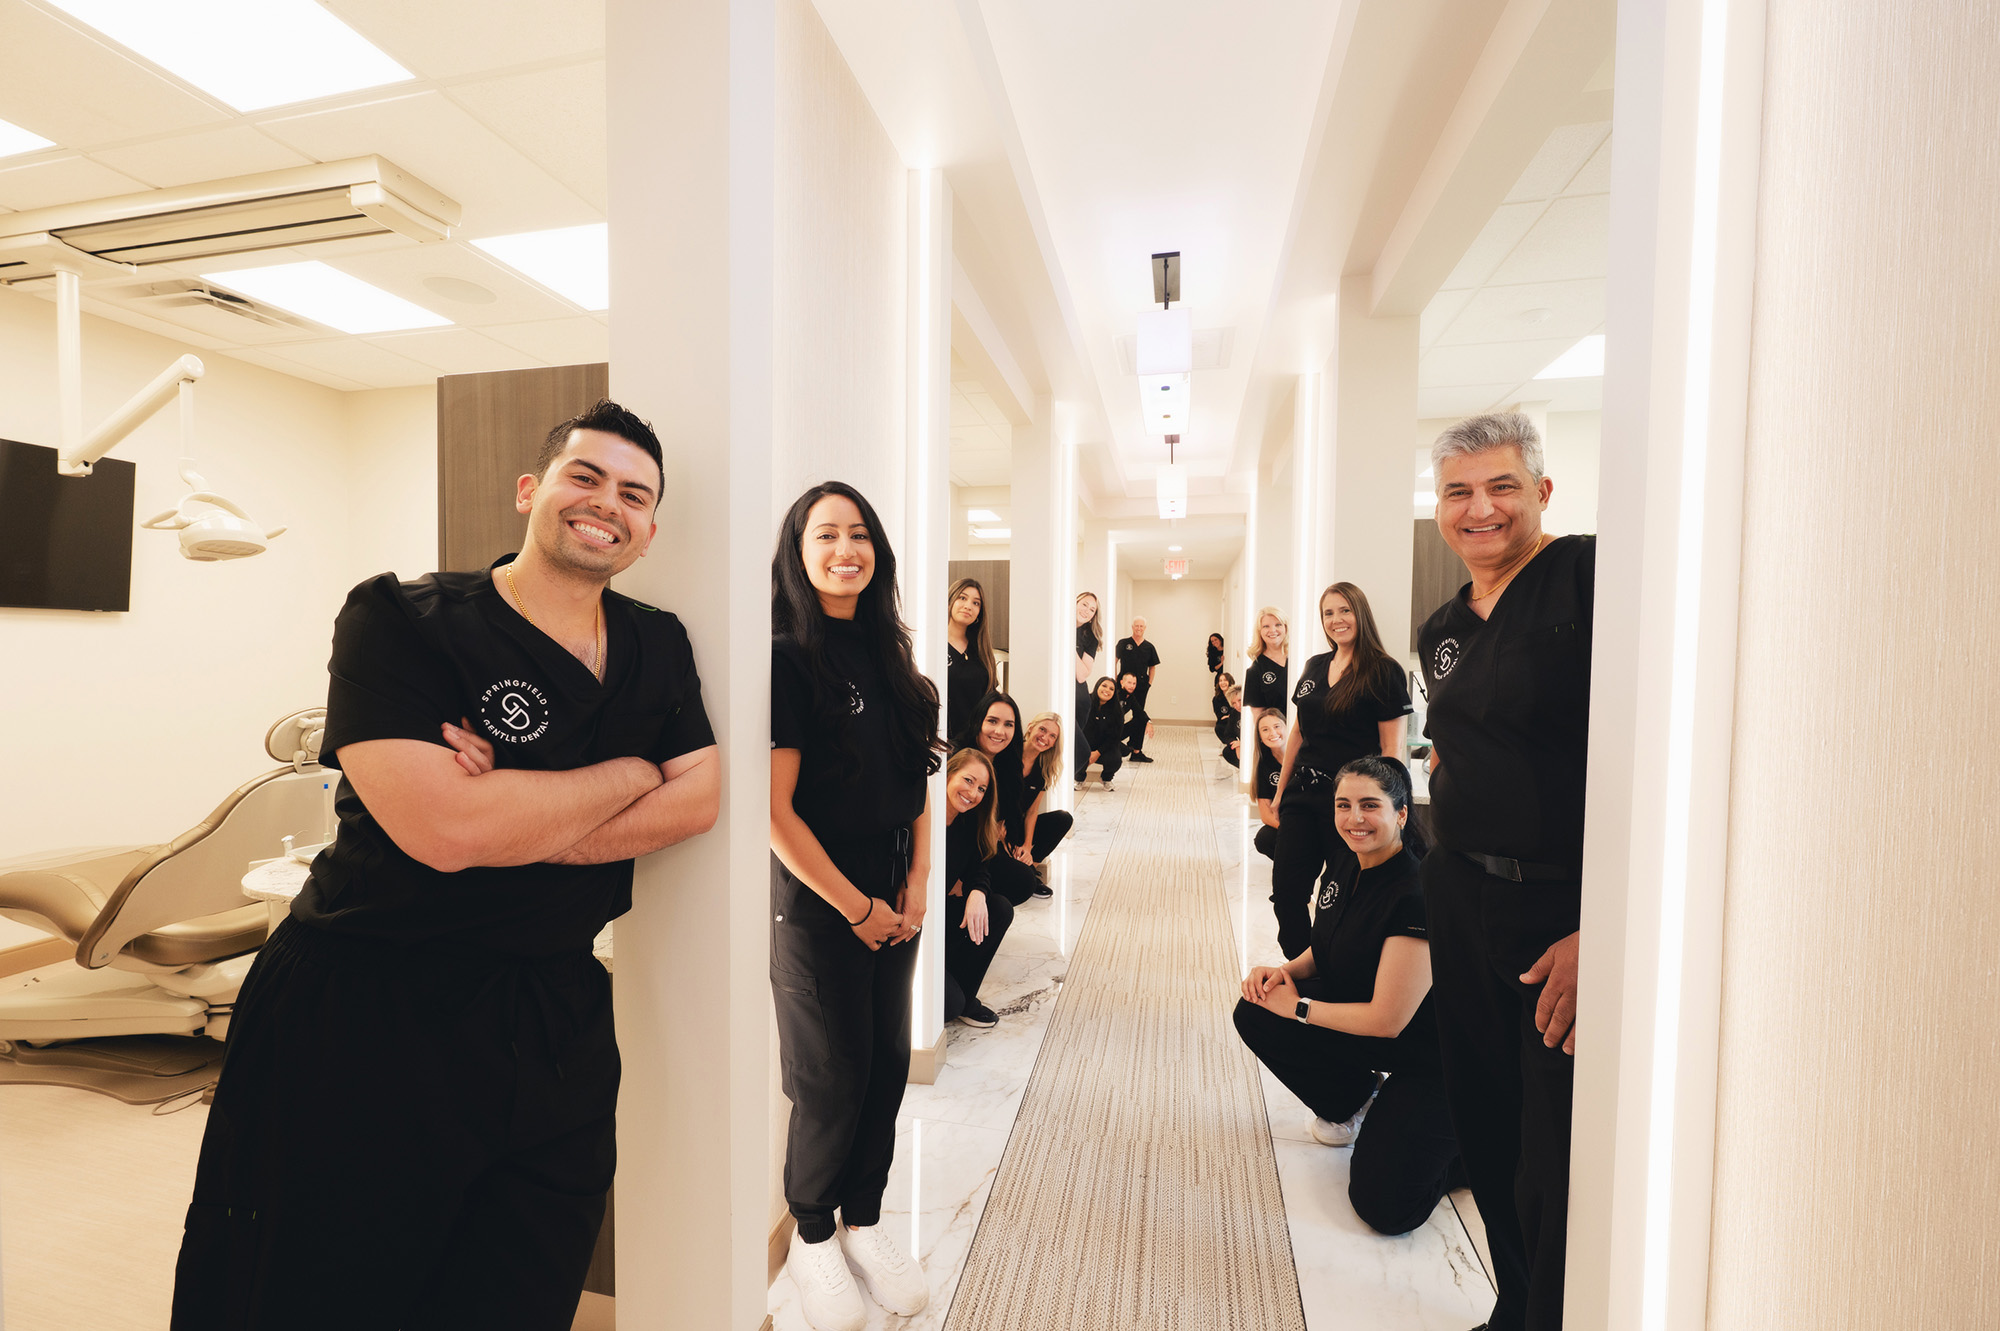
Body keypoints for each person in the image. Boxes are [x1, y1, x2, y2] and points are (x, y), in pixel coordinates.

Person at [172, 401, 720, 1331]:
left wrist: (515, 806)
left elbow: (701, 798)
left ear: (650, 528)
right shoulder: (402, 619)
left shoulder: (655, 642)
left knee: (523, 1287)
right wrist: (631, 773)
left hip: (555, 1014)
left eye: (635, 494)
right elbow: (446, 832)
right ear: (530, 490)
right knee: (318, 1292)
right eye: (584, 476)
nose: (607, 503)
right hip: (367, 1004)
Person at [1416, 412, 1592, 1331]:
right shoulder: (1442, 627)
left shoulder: (1589, 578)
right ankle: (1512, 1304)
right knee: (1484, 1119)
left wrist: (1604, 925)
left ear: (1542, 492)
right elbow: (1455, 742)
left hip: (1555, 911)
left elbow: (1647, 759)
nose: (1479, 508)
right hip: (1460, 893)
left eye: (1502, 486)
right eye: (1458, 491)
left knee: (1552, 1150)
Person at [769, 480, 943, 1330]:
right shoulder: (786, 658)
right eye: (827, 534)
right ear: (798, 554)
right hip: (819, 899)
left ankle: (865, 1220)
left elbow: (917, 787)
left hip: (894, 892)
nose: (846, 549)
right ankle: (811, 1234)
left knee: (883, 1065)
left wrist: (915, 883)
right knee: (829, 1076)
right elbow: (775, 813)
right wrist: (856, 906)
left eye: (860, 533)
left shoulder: (898, 663)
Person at [1234, 758, 1462, 1237]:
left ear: (1401, 813)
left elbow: (1386, 1020)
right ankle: (1357, 1099)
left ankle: (1470, 1148)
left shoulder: (1415, 892)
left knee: (1384, 1208)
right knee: (1257, 1010)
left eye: (1370, 805)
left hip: (1432, 1058)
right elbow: (1326, 944)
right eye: (1344, 805)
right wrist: (1282, 974)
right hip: (1368, 1019)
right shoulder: (1345, 860)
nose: (1354, 818)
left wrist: (1299, 1008)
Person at [1267, 582, 1412, 959]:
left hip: (1350, 805)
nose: (1336, 620)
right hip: (1303, 795)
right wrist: (1281, 791)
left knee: (1338, 895)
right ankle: (1302, 967)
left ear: (1360, 613)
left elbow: (1392, 751)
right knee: (1286, 892)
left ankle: (1332, 969)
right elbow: (1298, 731)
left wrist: (1390, 807)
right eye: (1328, 613)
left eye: (1345, 610)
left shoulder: (1384, 671)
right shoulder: (1315, 665)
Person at [940, 748, 1014, 1030]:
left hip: (939, 918)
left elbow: (979, 868)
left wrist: (977, 894)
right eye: (968, 780)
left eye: (981, 788)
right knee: (946, 1007)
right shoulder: (920, 815)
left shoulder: (969, 821)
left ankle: (966, 997)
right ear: (949, 774)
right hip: (909, 925)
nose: (973, 793)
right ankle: (953, 994)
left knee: (999, 909)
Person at [952, 691, 1048, 906]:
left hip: (983, 846)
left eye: (1008, 724)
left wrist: (1010, 842)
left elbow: (1008, 816)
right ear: (978, 721)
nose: (999, 731)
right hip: (955, 847)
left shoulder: (1008, 764)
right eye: (992, 721)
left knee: (1023, 880)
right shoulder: (958, 756)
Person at [1006, 712, 1074, 866]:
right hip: (994, 826)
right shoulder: (1009, 752)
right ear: (1031, 727)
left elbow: (1032, 811)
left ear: (1054, 743)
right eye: (1042, 729)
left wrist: (1027, 846)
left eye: (1052, 736)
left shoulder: (1044, 769)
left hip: (1017, 826)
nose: (1045, 737)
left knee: (1063, 819)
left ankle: (1031, 866)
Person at [944, 577, 997, 740]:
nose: (968, 606)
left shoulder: (982, 651)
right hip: (942, 740)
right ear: (950, 601)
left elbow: (990, 699)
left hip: (975, 742)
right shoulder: (933, 647)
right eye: (962, 598)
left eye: (976, 603)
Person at [1114, 618, 1161, 762]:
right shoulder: (1123, 643)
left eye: (1141, 626)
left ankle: (1136, 750)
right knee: (1117, 713)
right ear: (1132, 627)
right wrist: (1115, 681)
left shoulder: (1149, 647)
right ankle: (1114, 740)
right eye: (1136, 626)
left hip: (1140, 687)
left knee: (1139, 717)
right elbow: (1114, 661)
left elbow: (1152, 667)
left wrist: (1149, 684)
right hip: (1123, 686)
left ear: (1145, 628)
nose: (1139, 628)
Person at [1242, 606, 1291, 731]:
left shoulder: (1299, 660)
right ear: (1259, 631)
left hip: (1307, 731)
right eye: (1266, 626)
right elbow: (1259, 716)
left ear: (1285, 628)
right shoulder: (1255, 670)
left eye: (1278, 624)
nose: (1272, 630)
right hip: (1279, 734)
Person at [1078, 675, 1129, 791]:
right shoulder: (1085, 702)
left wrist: (1097, 753)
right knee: (1076, 754)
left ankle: (1106, 778)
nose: (1107, 690)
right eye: (1104, 686)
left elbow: (1115, 737)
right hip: (1084, 744)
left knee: (1115, 759)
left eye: (1111, 689)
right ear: (1097, 686)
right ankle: (1079, 778)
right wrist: (1086, 751)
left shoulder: (1117, 710)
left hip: (1104, 747)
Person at [1251, 710, 1285, 862]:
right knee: (1264, 838)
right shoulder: (1263, 764)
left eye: (1277, 726)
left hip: (1312, 819)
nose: (1272, 733)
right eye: (1265, 730)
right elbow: (1266, 815)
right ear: (1260, 736)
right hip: (1286, 822)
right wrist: (1290, 830)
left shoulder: (1304, 755)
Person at [1074, 591, 1103, 735]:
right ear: (1075, 604)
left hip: (1079, 700)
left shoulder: (1091, 637)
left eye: (1092, 610)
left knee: (1077, 745)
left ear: (1093, 616)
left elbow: (1081, 676)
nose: (1087, 611)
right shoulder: (1057, 625)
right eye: (1084, 605)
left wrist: (1069, 644)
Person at [1115, 670, 1154, 763]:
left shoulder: (1131, 697)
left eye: (1134, 683)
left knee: (1141, 720)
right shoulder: (1115, 695)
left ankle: (1136, 753)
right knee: (1125, 751)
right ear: (1122, 682)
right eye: (1129, 683)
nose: (1132, 686)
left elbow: (1140, 712)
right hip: (1108, 733)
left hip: (1118, 731)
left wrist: (1148, 722)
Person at [1215, 677, 1242, 770]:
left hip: (1256, 746)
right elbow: (1228, 734)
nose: (1237, 705)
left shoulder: (1254, 712)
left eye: (1240, 700)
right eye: (1234, 703)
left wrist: (1242, 743)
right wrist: (1236, 745)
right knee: (1227, 752)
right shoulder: (1235, 713)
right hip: (1240, 745)